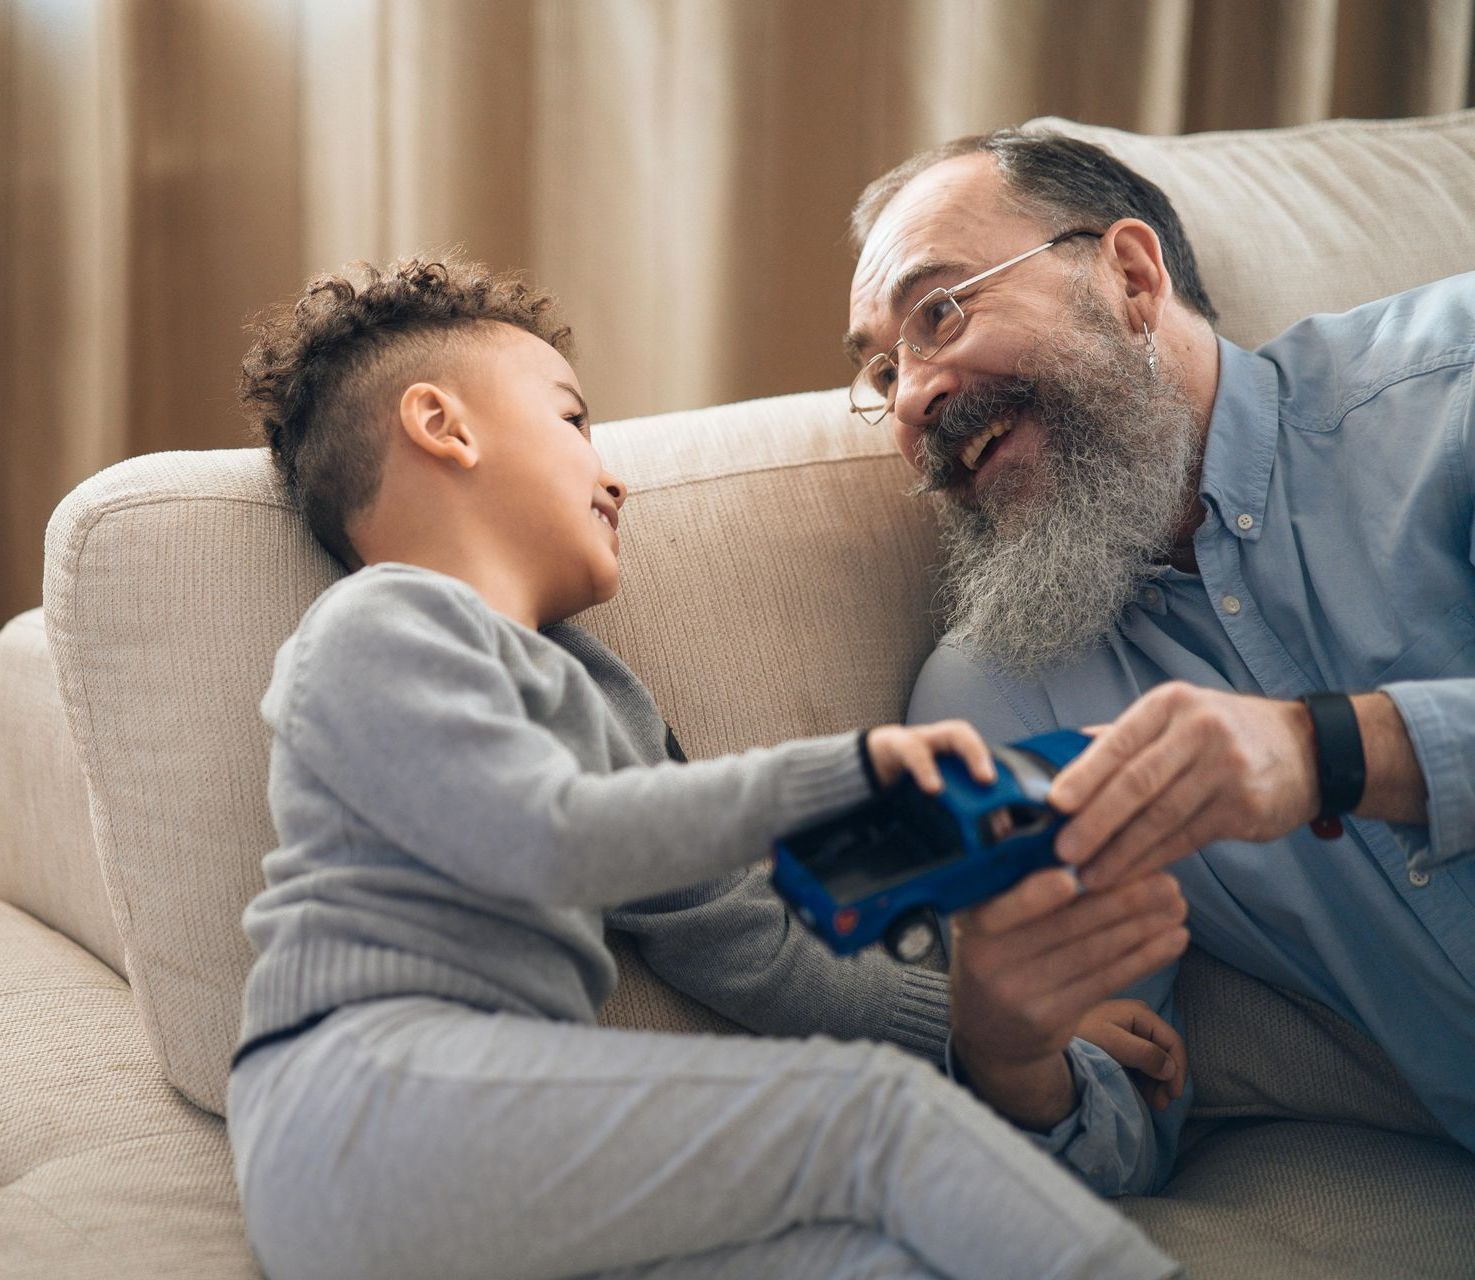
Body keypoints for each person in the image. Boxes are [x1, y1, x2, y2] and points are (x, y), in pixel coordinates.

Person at [226, 258, 1186, 1280]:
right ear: (442, 426)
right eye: (572, 419)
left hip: (500, 1150)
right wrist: (842, 771)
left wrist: (980, 1021)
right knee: (870, 1113)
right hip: (364, 1106)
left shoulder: (594, 694)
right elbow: (546, 838)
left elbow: (749, 936)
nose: (613, 473)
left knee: (866, 1256)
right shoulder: (383, 621)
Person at [843, 127, 1475, 1192]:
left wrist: (1329, 748)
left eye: (939, 311)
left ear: (1129, 276)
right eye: (879, 369)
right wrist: (1008, 1058)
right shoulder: (998, 690)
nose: (909, 400)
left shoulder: (1447, 390)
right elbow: (1121, 1118)